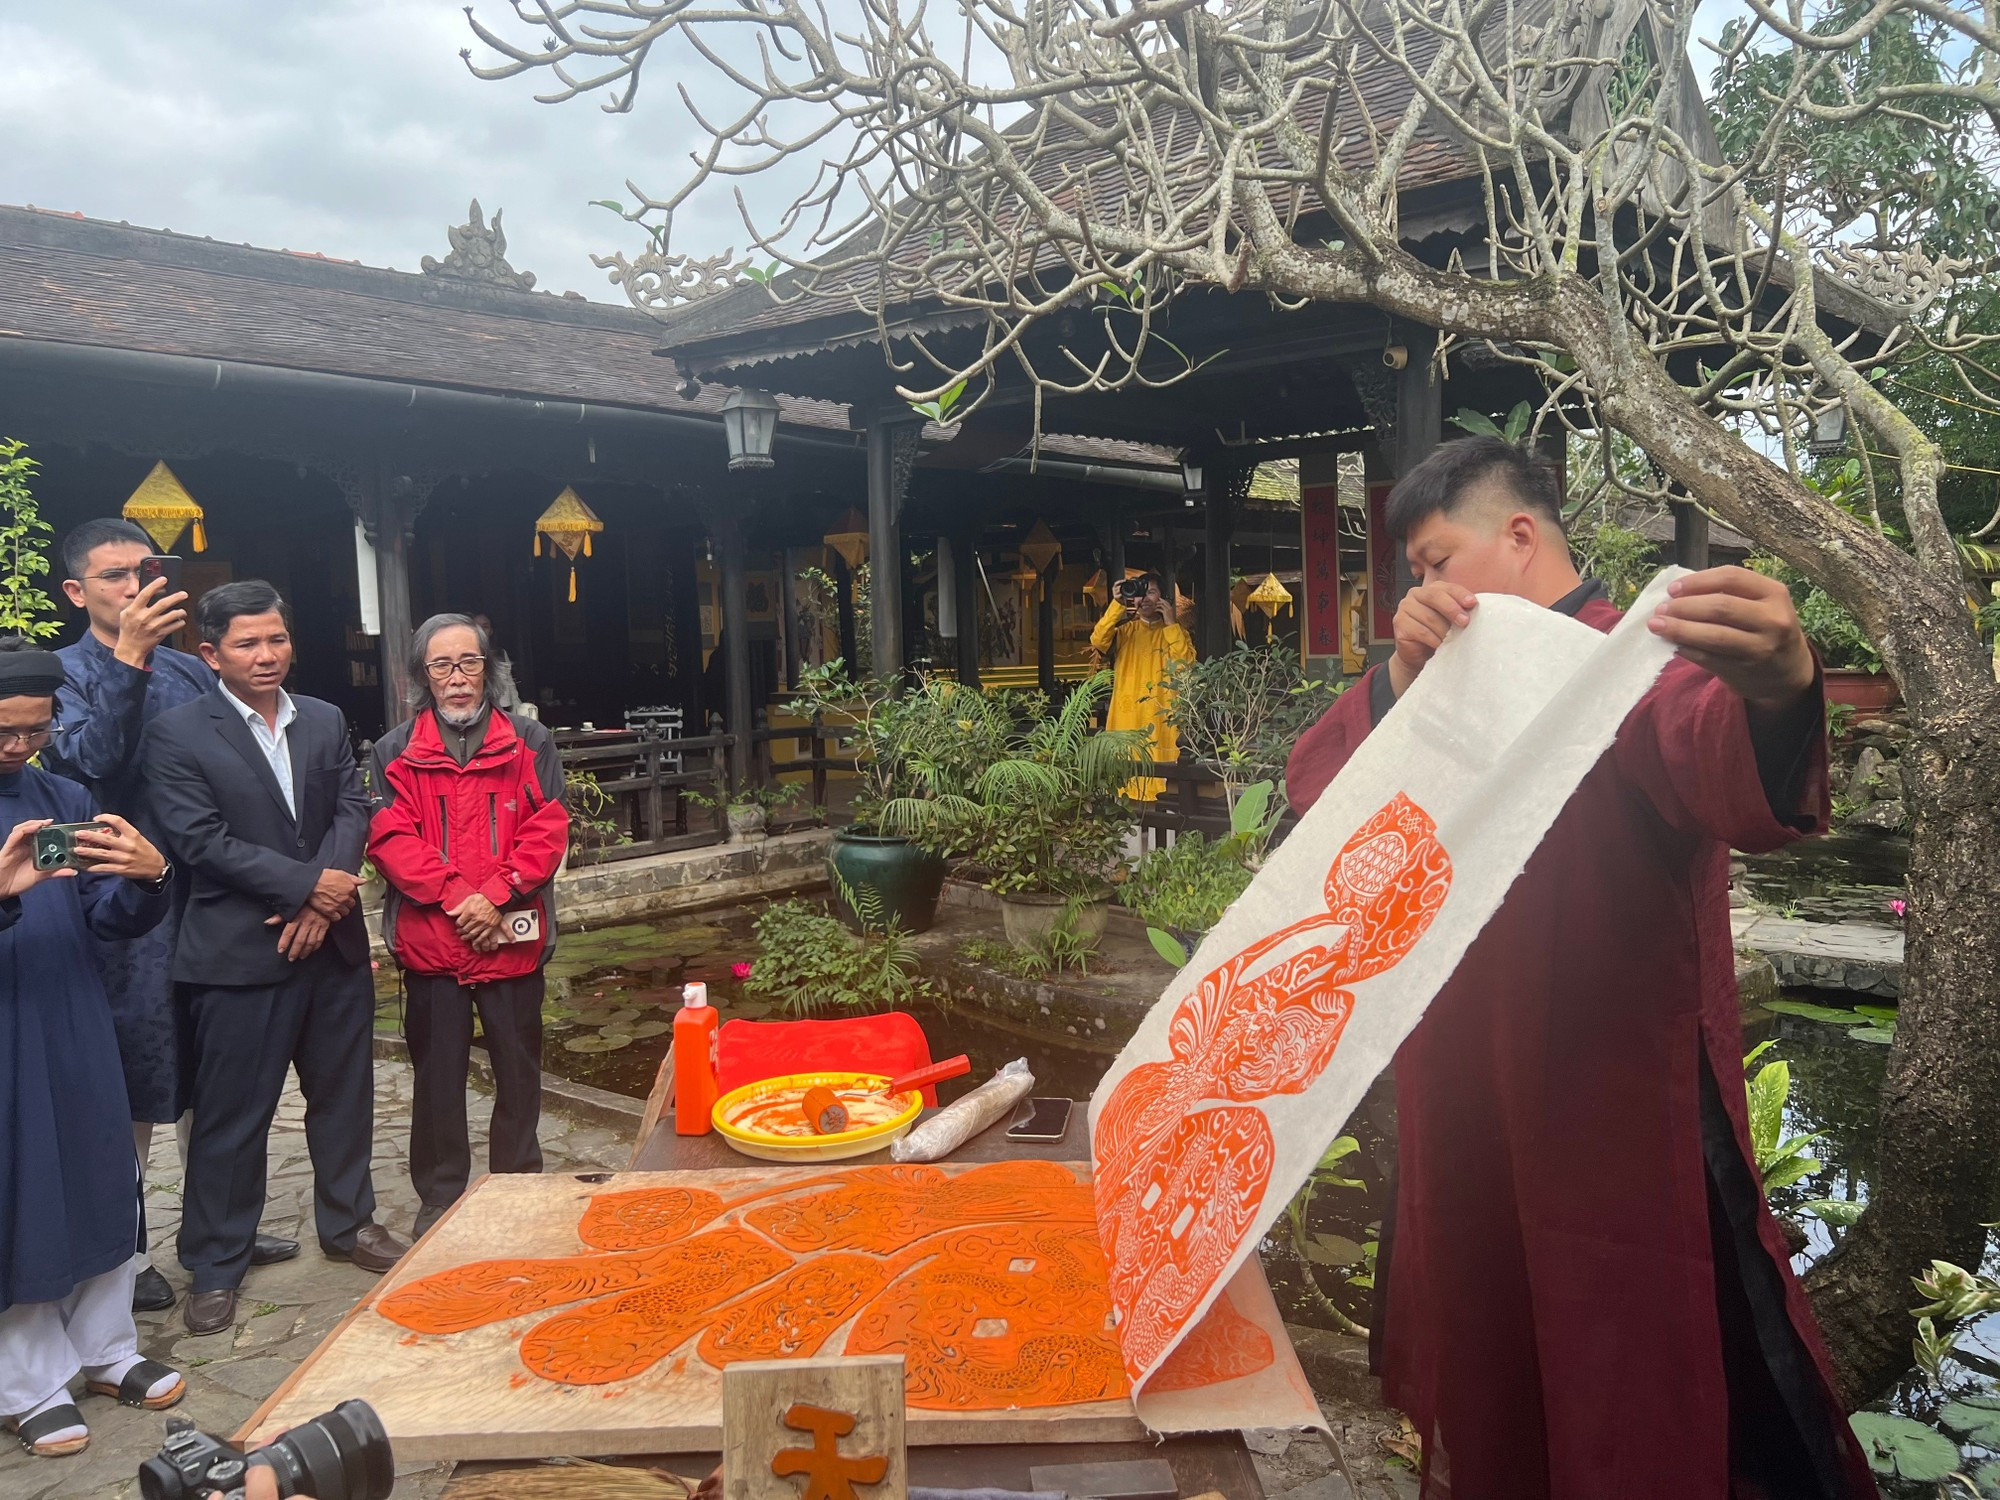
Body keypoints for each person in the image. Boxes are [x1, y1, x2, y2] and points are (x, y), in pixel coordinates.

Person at [1284, 436, 1876, 1499]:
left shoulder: (1626, 662)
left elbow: (1714, 745)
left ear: (1518, 537)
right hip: (1463, 1097)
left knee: (1644, 1380)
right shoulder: (1437, 686)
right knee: (1490, 1364)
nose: (1420, 590)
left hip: (1609, 1103)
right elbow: (1316, 799)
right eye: (1412, 574)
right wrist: (1395, 684)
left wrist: (1783, 683)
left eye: (1433, 559)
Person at [45, 519, 299, 1314]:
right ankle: (127, 1249)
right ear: (76, 592)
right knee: (135, 1087)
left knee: (218, 1075)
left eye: (143, 572)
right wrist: (125, 660)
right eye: (115, 576)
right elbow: (91, 765)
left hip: (208, 894)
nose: (133, 588)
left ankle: (217, 1227)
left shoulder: (194, 674)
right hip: (125, 909)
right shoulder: (61, 675)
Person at [141, 582, 408, 1337]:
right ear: (211, 653)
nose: (267, 656)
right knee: (233, 1117)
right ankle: (217, 1263)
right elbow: (197, 839)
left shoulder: (321, 719)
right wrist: (307, 889)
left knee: (344, 1095)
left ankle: (350, 1223)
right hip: (236, 952)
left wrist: (323, 901)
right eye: (248, 644)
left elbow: (355, 805)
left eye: (277, 640)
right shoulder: (179, 733)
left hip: (332, 951)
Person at [0, 638, 187, 1458]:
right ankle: (28, 1379)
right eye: (5, 730)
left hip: (75, 1011)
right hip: (6, 1026)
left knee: (101, 1171)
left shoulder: (62, 792)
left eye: (35, 729)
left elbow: (105, 922)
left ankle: (108, 1348)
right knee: (25, 1190)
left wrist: (149, 879)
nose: (19, 748)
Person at [368, 614, 568, 1239]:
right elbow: (390, 838)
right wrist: (462, 897)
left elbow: (547, 828)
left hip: (511, 935)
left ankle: (517, 1182)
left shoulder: (530, 741)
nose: (457, 679)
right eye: (442, 666)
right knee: (437, 1077)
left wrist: (496, 894)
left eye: (469, 663)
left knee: (518, 1070)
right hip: (433, 942)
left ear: (489, 668)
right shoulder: (394, 750)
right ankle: (440, 1194)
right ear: (423, 677)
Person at [1089, 572, 1195, 801]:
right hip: (1127, 718)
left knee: (1162, 786)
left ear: (1163, 597)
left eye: (1151, 592)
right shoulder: (1125, 632)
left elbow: (1184, 667)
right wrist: (1117, 604)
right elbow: (1098, 640)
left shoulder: (1177, 633)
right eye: (1139, 593)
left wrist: (1170, 624)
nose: (1144, 599)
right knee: (1124, 784)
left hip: (1161, 719)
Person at [470, 614, 521, 710]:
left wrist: (518, 709)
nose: (481, 630)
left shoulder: (500, 653)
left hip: (504, 707)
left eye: (485, 626)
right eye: (476, 626)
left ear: (491, 631)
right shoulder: (468, 656)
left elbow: (510, 685)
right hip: (482, 710)